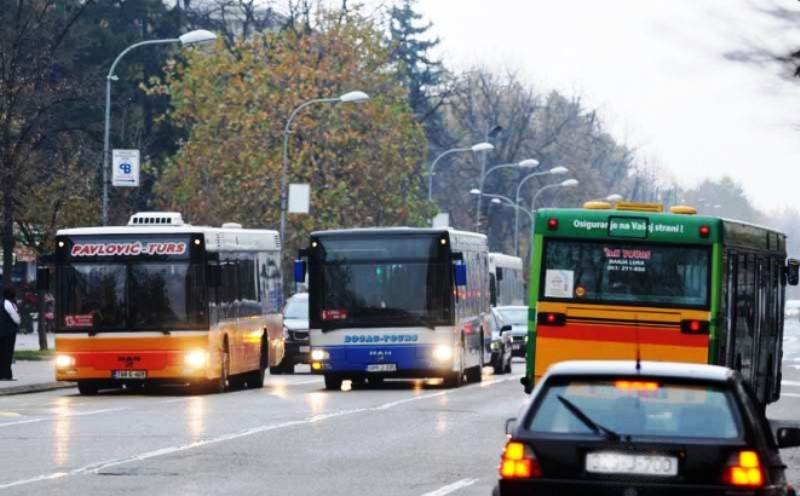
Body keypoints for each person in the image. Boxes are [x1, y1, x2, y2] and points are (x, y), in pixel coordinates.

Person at [0, 287, 21, 380]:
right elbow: (15, 317)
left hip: (2, 331)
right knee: (7, 353)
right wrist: (19, 321)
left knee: (1, 353)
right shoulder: (9, 303)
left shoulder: (1, 302)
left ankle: (2, 374)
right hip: (8, 333)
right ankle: (7, 375)